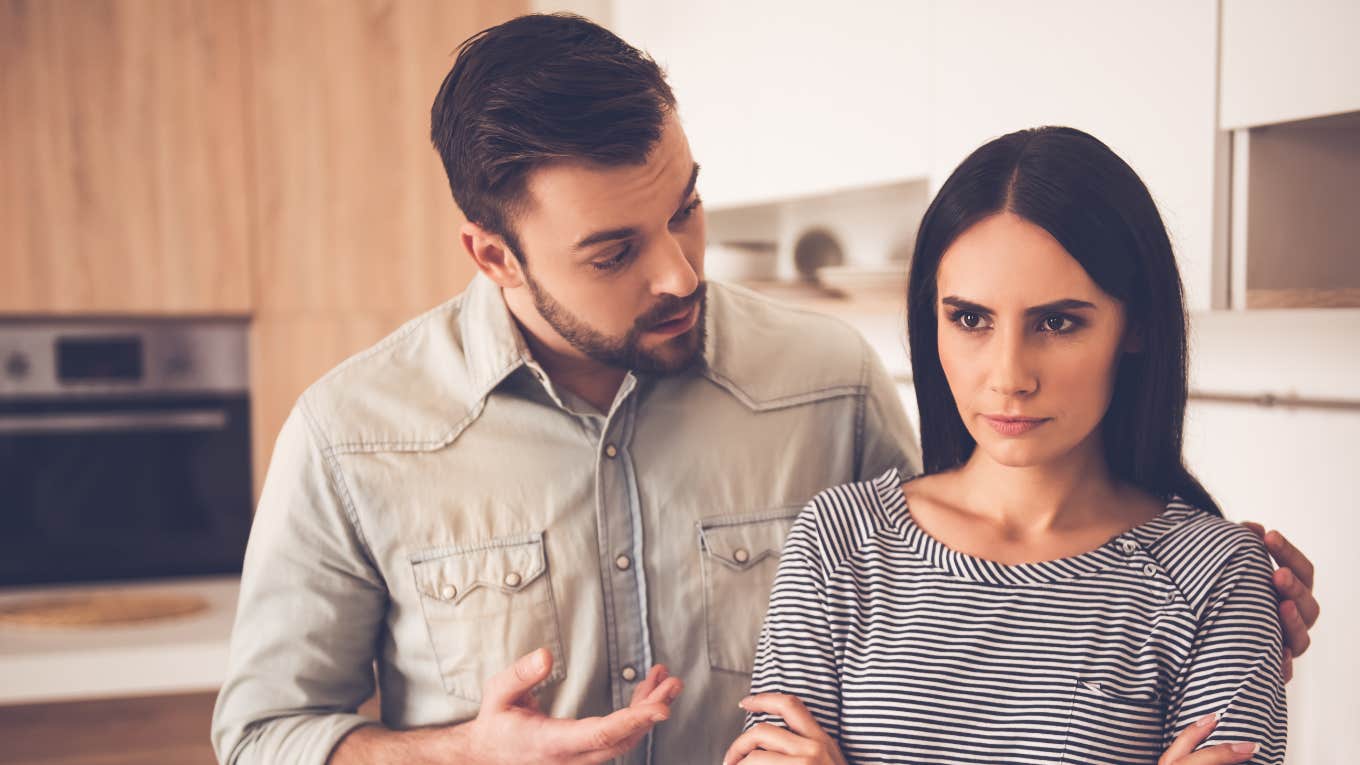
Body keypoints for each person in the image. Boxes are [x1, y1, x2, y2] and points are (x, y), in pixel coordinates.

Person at [211, 15, 1318, 765]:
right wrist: (458, 753)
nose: (680, 272)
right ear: (492, 254)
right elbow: (261, 735)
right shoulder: (354, 436)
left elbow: (980, 586)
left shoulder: (824, 383)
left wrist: (1223, 604)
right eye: (613, 253)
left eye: (686, 208)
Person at [726, 127, 1292, 765]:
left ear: (1134, 327)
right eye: (970, 319)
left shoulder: (1217, 578)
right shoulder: (837, 544)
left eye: (1057, 322)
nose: (1009, 377)